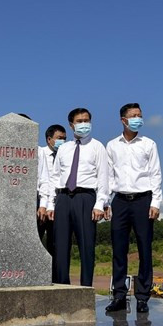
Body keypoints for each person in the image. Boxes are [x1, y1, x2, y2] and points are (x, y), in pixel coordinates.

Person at [104, 103, 163, 314]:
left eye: (140, 115)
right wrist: (105, 202)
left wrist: (156, 202)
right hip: (119, 200)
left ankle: (143, 297)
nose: (138, 118)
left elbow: (155, 174)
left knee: (144, 248)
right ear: (123, 120)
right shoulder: (112, 145)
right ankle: (119, 295)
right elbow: (108, 176)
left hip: (143, 200)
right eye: (134, 115)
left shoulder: (149, 144)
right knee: (119, 249)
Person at [46, 107, 109, 287]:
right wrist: (50, 204)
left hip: (85, 197)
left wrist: (100, 204)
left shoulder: (97, 147)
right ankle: (62, 287)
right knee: (60, 246)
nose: (84, 124)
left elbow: (103, 177)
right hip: (63, 198)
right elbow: (55, 177)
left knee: (86, 245)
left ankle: (85, 288)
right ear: (71, 125)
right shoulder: (64, 149)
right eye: (79, 121)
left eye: (86, 121)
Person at [37, 124, 66, 281]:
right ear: (49, 139)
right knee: (37, 240)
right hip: (41, 202)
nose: (63, 141)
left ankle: (55, 278)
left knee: (56, 243)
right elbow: (43, 179)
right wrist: (44, 203)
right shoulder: (40, 153)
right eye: (59, 138)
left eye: (64, 138)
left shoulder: (65, 154)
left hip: (58, 201)